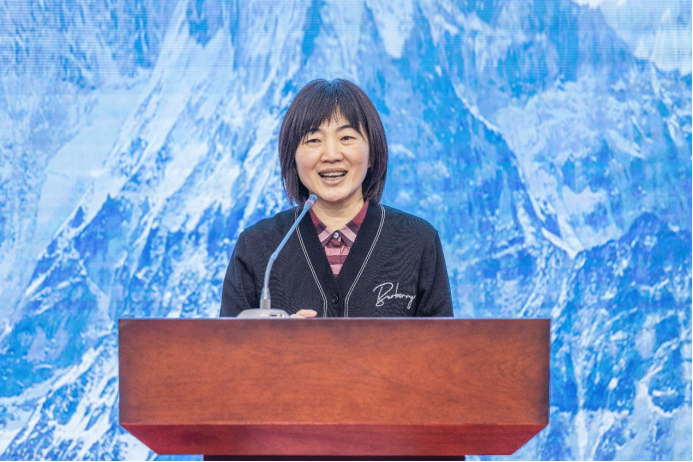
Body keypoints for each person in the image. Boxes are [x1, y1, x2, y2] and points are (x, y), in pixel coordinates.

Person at [220, 79, 453, 318]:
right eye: (313, 140)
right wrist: (282, 340)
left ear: (372, 153)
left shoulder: (418, 241)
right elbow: (226, 342)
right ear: (293, 157)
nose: (331, 155)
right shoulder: (258, 247)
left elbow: (444, 342)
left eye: (346, 138)